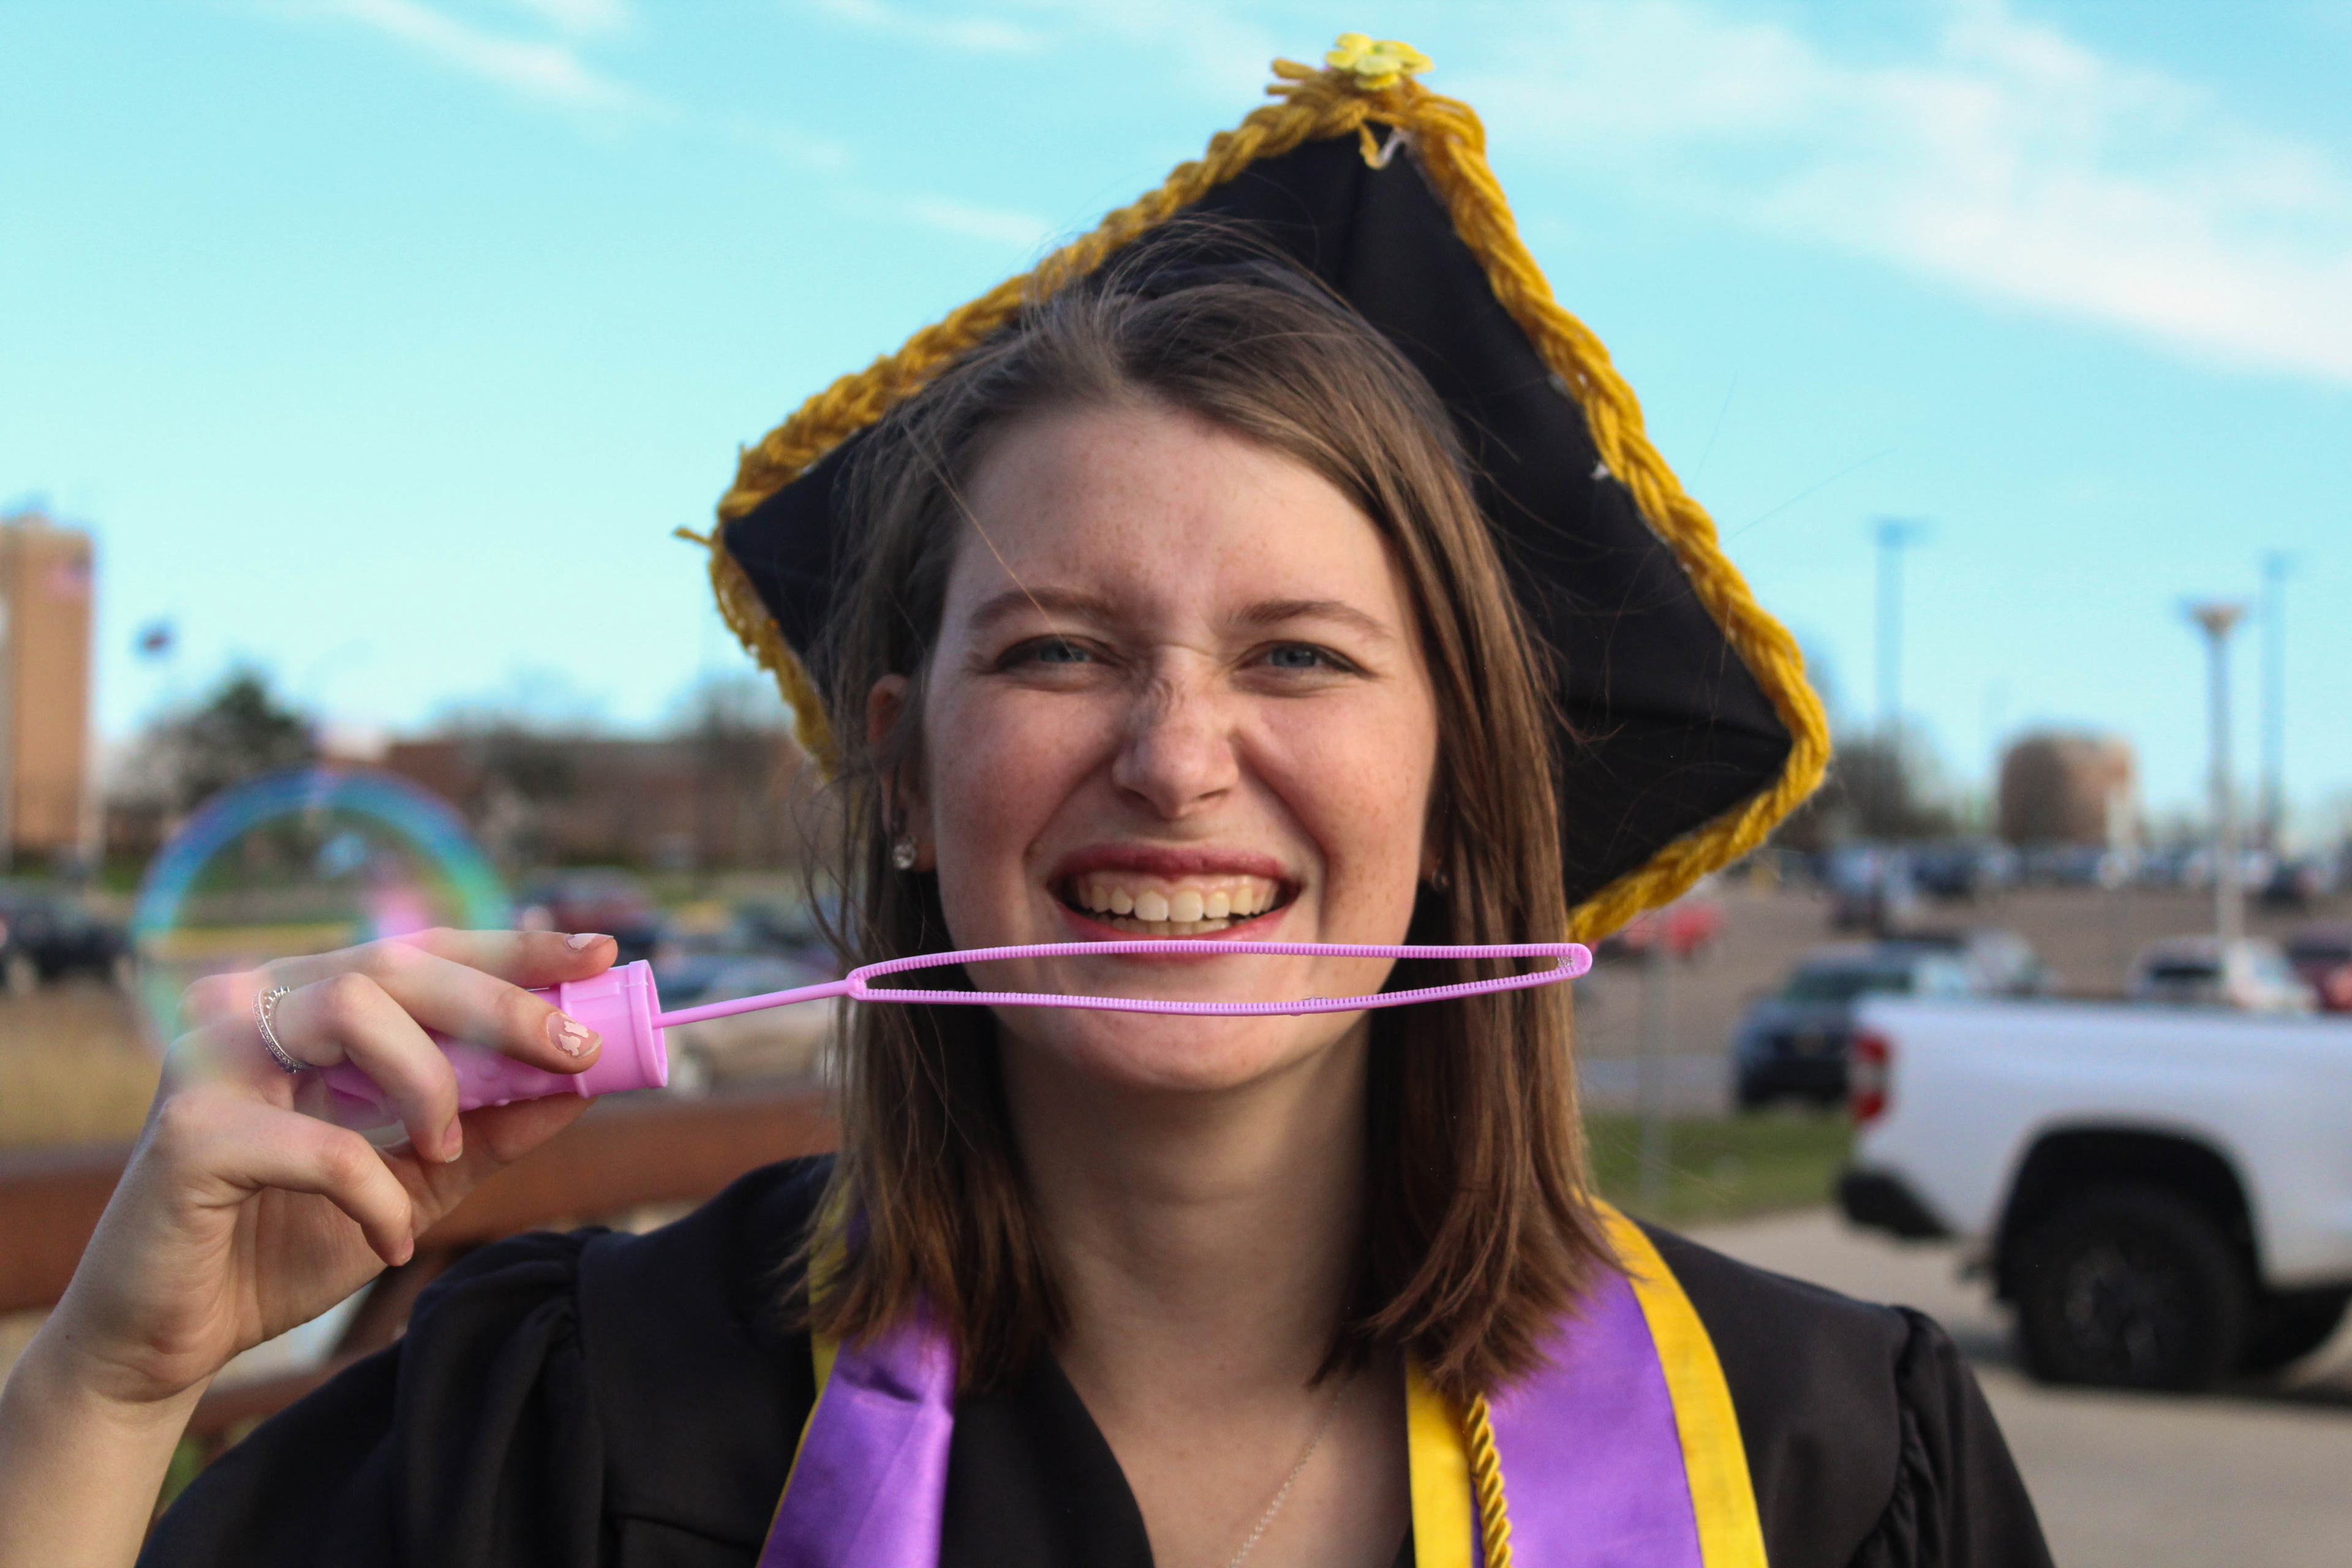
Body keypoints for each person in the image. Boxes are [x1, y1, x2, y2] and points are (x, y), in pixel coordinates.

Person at [0, 40, 2050, 1568]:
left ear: (1454, 793)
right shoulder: (572, 1430)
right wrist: (104, 1389)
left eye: (1301, 657)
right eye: (1059, 649)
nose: (1174, 754)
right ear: (898, 764)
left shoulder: (1828, 1467)